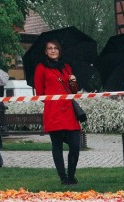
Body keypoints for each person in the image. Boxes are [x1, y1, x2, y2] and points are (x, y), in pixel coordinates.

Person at [34, 40, 82, 185]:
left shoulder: (66, 67)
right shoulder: (41, 68)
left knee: (75, 144)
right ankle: (63, 178)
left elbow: (74, 91)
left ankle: (72, 175)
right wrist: (54, 101)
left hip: (69, 113)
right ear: (46, 51)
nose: (53, 50)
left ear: (59, 51)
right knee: (57, 146)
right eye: (50, 48)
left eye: (55, 48)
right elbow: (40, 92)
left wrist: (73, 82)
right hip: (54, 113)